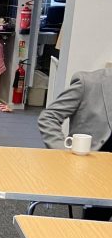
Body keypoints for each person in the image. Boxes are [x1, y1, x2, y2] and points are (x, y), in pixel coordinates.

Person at [38, 64, 112, 220]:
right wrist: (65, 153)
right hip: (93, 173)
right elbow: (49, 118)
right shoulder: (89, 83)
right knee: (94, 230)